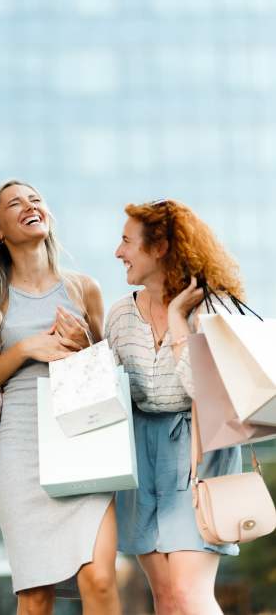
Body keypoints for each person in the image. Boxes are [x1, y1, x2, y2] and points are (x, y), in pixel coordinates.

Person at [0, 179, 121, 615]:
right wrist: (23, 350)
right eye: (15, 204)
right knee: (35, 599)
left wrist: (87, 345)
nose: (29, 206)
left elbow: (107, 373)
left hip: (83, 441)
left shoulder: (83, 288)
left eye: (35, 199)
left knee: (101, 579)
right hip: (21, 449)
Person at [106, 198, 242, 615]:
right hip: (141, 459)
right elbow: (115, 393)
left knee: (189, 595)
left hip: (198, 453)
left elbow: (204, 391)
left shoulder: (212, 308)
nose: (118, 252)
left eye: (127, 241)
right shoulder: (119, 316)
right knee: (166, 600)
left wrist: (180, 323)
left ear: (160, 246)